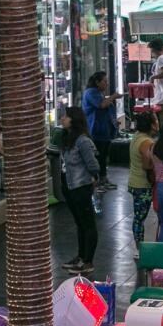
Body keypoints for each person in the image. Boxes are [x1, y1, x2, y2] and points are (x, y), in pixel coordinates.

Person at [60, 106, 100, 274]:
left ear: (74, 120)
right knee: (80, 223)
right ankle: (81, 257)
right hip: (70, 188)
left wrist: (92, 178)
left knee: (87, 224)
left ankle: (88, 261)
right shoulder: (68, 138)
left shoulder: (82, 141)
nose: (62, 118)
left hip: (80, 187)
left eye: (66, 116)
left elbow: (93, 164)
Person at [82, 71, 120, 190]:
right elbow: (101, 105)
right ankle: (97, 181)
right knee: (98, 157)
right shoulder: (91, 93)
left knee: (103, 157)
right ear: (97, 82)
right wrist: (113, 97)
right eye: (104, 81)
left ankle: (103, 179)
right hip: (96, 131)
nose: (107, 84)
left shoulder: (99, 93)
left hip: (104, 131)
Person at [127, 111, 157, 245]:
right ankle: (139, 247)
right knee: (140, 217)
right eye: (155, 120)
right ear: (152, 125)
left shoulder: (137, 136)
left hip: (134, 181)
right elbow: (147, 164)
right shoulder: (147, 142)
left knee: (139, 216)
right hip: (143, 185)